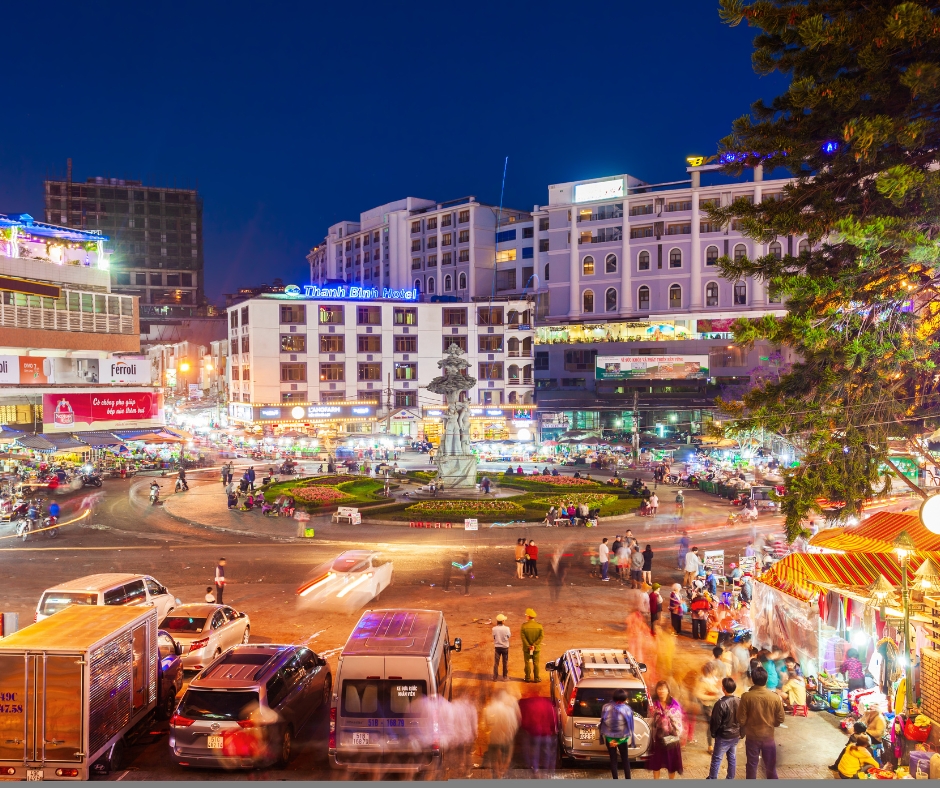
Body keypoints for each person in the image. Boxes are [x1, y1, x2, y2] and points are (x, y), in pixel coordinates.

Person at [737, 665, 784, 779]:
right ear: (766, 680)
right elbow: (780, 719)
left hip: (752, 737)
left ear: (752, 680)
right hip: (768, 737)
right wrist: (771, 723)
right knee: (770, 767)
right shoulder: (775, 697)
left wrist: (748, 725)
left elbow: (741, 719)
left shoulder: (746, 697)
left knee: (751, 766)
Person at [647, 680, 684, 779]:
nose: (661, 691)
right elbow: (650, 720)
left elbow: (678, 722)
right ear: (656, 690)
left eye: (664, 688)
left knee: (671, 765)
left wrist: (674, 736)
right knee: (656, 764)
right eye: (659, 689)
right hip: (658, 739)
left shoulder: (674, 704)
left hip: (671, 738)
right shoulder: (654, 704)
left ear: (668, 690)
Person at [518, 685, 557, 775]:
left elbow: (525, 721)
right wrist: (552, 730)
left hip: (534, 733)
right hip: (546, 733)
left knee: (534, 752)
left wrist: (526, 729)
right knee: (546, 752)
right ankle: (546, 770)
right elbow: (553, 718)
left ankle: (534, 769)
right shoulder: (546, 703)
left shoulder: (529, 704)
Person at [708, 677, 741, 779]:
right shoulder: (739, 701)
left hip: (723, 736)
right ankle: (730, 778)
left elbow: (715, 721)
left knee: (717, 759)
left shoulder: (720, 703)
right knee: (732, 758)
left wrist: (713, 733)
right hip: (735, 735)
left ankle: (712, 778)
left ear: (723, 688)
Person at [483, 690, 521, 778]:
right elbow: (514, 724)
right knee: (507, 754)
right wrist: (510, 734)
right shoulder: (509, 710)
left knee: (494, 756)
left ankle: (497, 774)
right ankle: (504, 769)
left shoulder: (489, 708)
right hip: (506, 738)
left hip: (494, 738)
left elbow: (486, 725)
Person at [599, 688, 635, 779]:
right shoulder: (627, 709)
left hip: (610, 739)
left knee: (613, 759)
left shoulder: (606, 707)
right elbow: (630, 723)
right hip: (622, 739)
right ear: (625, 699)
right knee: (625, 759)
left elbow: (603, 721)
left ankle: (615, 779)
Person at [696, 662, 723, 753]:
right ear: (711, 670)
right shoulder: (703, 682)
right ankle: (710, 746)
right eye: (715, 669)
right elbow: (698, 694)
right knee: (712, 725)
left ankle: (717, 744)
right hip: (708, 706)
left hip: (716, 705)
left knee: (718, 724)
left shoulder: (715, 679)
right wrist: (712, 697)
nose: (716, 671)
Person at [521, 608, 543, 682]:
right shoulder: (539, 626)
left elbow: (523, 638)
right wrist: (534, 645)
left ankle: (527, 678)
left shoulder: (524, 626)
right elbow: (541, 636)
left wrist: (528, 646)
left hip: (527, 649)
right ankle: (536, 678)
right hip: (536, 648)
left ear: (528, 616)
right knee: (536, 663)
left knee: (527, 663)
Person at [492, 614, 511, 680]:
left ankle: (495, 677)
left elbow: (494, 637)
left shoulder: (494, 629)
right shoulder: (507, 628)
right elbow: (508, 636)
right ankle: (505, 676)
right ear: (503, 621)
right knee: (505, 662)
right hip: (505, 647)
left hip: (497, 647)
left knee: (496, 662)